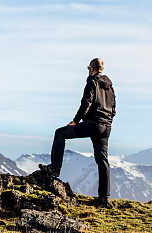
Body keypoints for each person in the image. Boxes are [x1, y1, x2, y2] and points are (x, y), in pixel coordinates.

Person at [39, 58, 116, 208]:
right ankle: (103, 198)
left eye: (88, 68)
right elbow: (114, 107)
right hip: (106, 127)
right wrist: (108, 122)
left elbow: (86, 103)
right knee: (102, 161)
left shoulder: (92, 83)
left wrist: (75, 121)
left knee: (60, 133)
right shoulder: (110, 86)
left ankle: (55, 167)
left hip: (93, 124)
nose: (88, 70)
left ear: (92, 69)